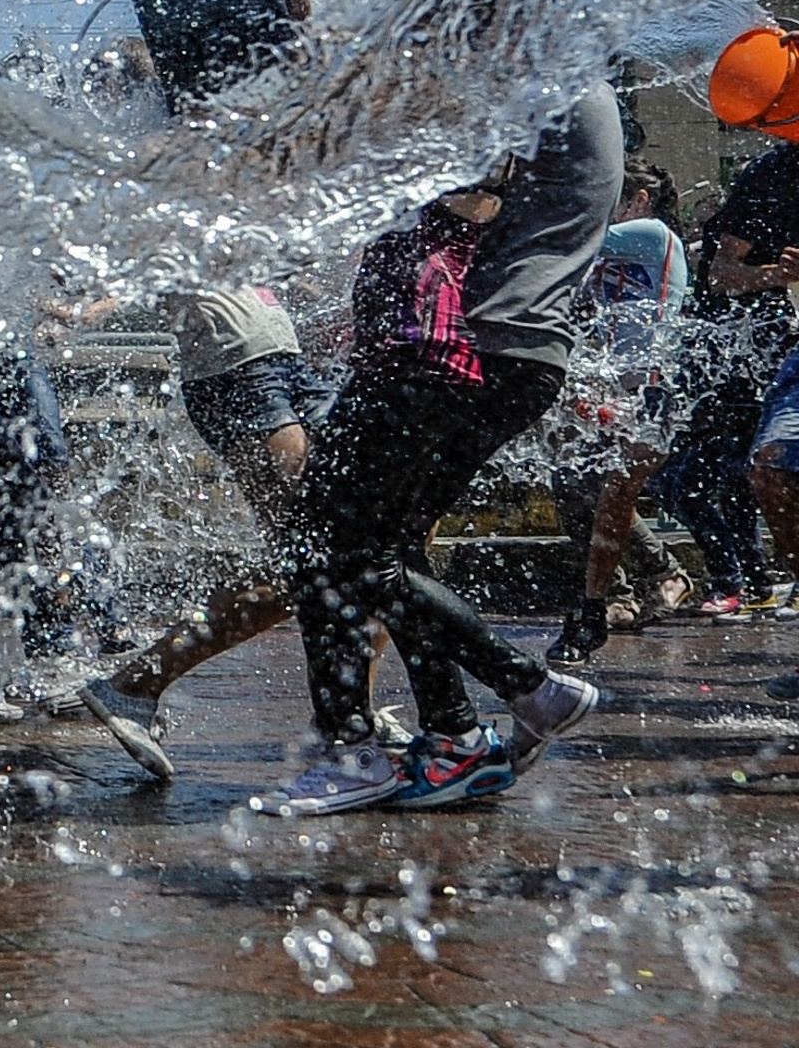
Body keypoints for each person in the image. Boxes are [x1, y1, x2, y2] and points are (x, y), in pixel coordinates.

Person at [264, 91, 621, 815]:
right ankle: (456, 740)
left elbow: (470, 173)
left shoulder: (542, 72)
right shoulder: (555, 74)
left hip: (450, 352)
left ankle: (391, 738)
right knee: (381, 550)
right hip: (479, 350)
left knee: (324, 548)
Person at [67, 284, 339, 782]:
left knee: (374, 546)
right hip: (236, 371)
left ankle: (348, 713)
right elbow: (134, 260)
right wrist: (93, 307)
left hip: (291, 362)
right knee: (311, 561)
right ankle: (133, 685)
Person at [653, 125, 799, 617]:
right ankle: (747, 580)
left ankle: (744, 580)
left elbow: (721, 275)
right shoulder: (770, 177)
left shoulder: (771, 183)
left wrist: (776, 276)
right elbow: (721, 275)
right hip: (728, 361)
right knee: (719, 477)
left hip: (753, 358)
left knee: (721, 477)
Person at [548, 161, 690, 663]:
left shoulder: (653, 235)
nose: (606, 208)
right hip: (611, 388)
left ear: (642, 199)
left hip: (655, 386)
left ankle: (615, 596)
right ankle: (627, 592)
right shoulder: (615, 252)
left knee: (612, 488)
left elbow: (576, 241)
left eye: (615, 198)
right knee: (571, 483)